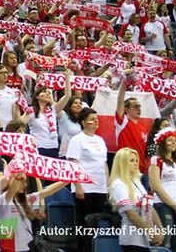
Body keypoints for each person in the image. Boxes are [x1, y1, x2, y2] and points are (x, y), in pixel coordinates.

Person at [0, 162, 67, 252]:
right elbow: (11, 190)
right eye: (21, 180)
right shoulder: (2, 199)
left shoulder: (26, 200)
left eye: (25, 181)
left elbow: (48, 191)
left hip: (28, 248)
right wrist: (18, 170)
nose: (25, 185)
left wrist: (70, 179)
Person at [66, 107, 109, 251]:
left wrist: (107, 186)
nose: (96, 121)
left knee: (96, 224)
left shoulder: (100, 140)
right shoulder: (76, 140)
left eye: (96, 119)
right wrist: (78, 186)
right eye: (92, 119)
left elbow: (104, 164)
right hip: (85, 187)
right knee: (84, 224)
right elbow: (73, 163)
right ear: (83, 122)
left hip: (100, 187)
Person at [110, 147, 165, 251]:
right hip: (131, 238)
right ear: (122, 163)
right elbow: (131, 215)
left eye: (136, 160)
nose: (135, 163)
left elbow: (150, 207)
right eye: (131, 161)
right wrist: (151, 232)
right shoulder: (118, 184)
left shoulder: (137, 182)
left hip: (144, 239)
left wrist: (160, 229)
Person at [149, 127, 176, 252]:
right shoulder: (156, 160)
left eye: (175, 140)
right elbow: (156, 186)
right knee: (165, 244)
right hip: (163, 205)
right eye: (169, 140)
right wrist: (175, 208)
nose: (173, 143)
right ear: (162, 143)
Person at [115, 79, 151, 187]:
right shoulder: (122, 122)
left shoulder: (144, 126)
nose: (138, 109)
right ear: (126, 109)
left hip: (143, 172)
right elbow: (120, 101)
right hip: (127, 170)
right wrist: (124, 85)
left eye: (139, 106)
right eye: (135, 106)